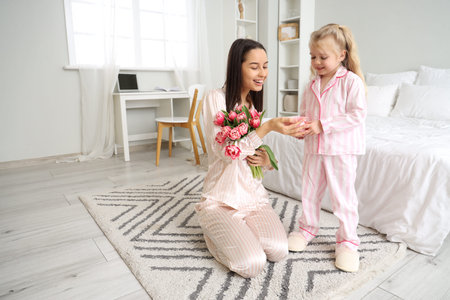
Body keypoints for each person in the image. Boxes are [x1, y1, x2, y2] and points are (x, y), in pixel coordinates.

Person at [195, 38, 303, 278]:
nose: (262, 73)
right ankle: (213, 232)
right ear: (237, 67)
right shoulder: (216, 98)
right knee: (252, 265)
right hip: (222, 200)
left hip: (253, 198)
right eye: (254, 66)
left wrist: (265, 162)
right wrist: (266, 128)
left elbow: (249, 157)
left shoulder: (253, 105)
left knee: (278, 251)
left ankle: (239, 234)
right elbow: (226, 153)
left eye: (265, 66)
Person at [287, 24, 367, 273]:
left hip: (340, 150)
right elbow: (305, 112)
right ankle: (307, 229)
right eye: (313, 57)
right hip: (313, 149)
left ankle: (347, 242)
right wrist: (301, 127)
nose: (317, 62)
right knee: (309, 193)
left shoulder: (350, 82)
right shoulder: (312, 83)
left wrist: (323, 124)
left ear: (341, 55)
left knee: (343, 200)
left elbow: (357, 115)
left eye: (323, 57)